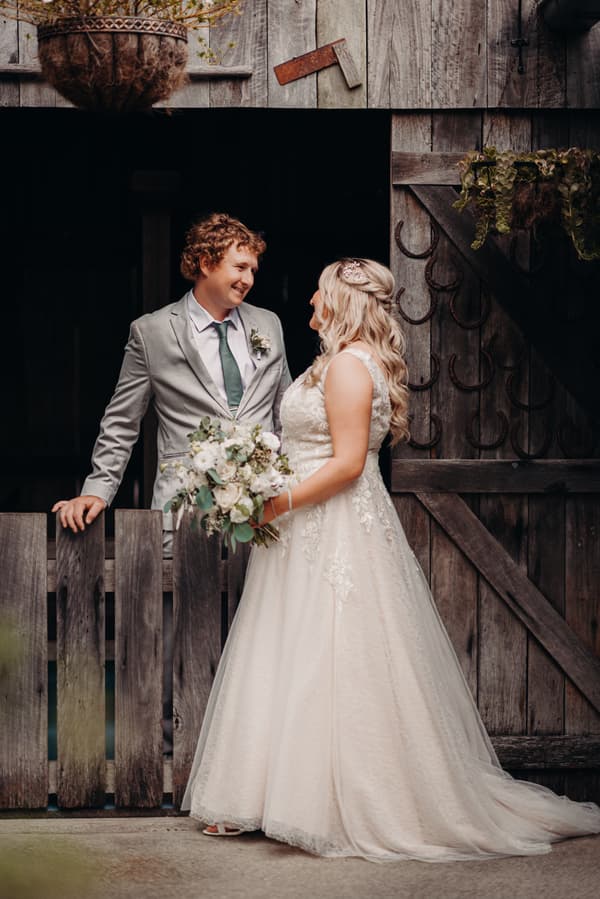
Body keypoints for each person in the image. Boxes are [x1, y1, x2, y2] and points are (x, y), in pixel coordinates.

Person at [181, 257, 600, 861]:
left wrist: (272, 506)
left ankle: (326, 800)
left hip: (330, 526)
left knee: (332, 657)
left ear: (341, 304)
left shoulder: (351, 367)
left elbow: (350, 465)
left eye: (318, 296)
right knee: (286, 651)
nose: (310, 307)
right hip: (302, 527)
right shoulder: (335, 362)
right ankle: (264, 794)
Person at [52, 212, 292, 551]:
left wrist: (294, 489)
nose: (249, 279)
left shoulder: (269, 324)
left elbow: (286, 413)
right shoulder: (152, 332)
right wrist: (96, 490)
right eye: (240, 268)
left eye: (253, 269)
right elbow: (121, 421)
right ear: (206, 263)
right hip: (185, 513)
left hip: (265, 514)